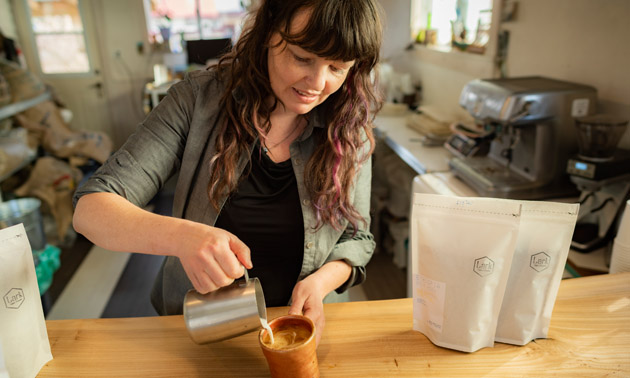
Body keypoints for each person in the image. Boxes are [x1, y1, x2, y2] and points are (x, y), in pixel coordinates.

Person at [72, 0, 383, 344]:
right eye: (302, 58)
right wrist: (183, 237)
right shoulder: (198, 101)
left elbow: (357, 237)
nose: (317, 82)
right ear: (268, 33)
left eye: (337, 68)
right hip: (200, 329)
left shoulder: (349, 128)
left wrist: (320, 282)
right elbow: (91, 210)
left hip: (307, 329)